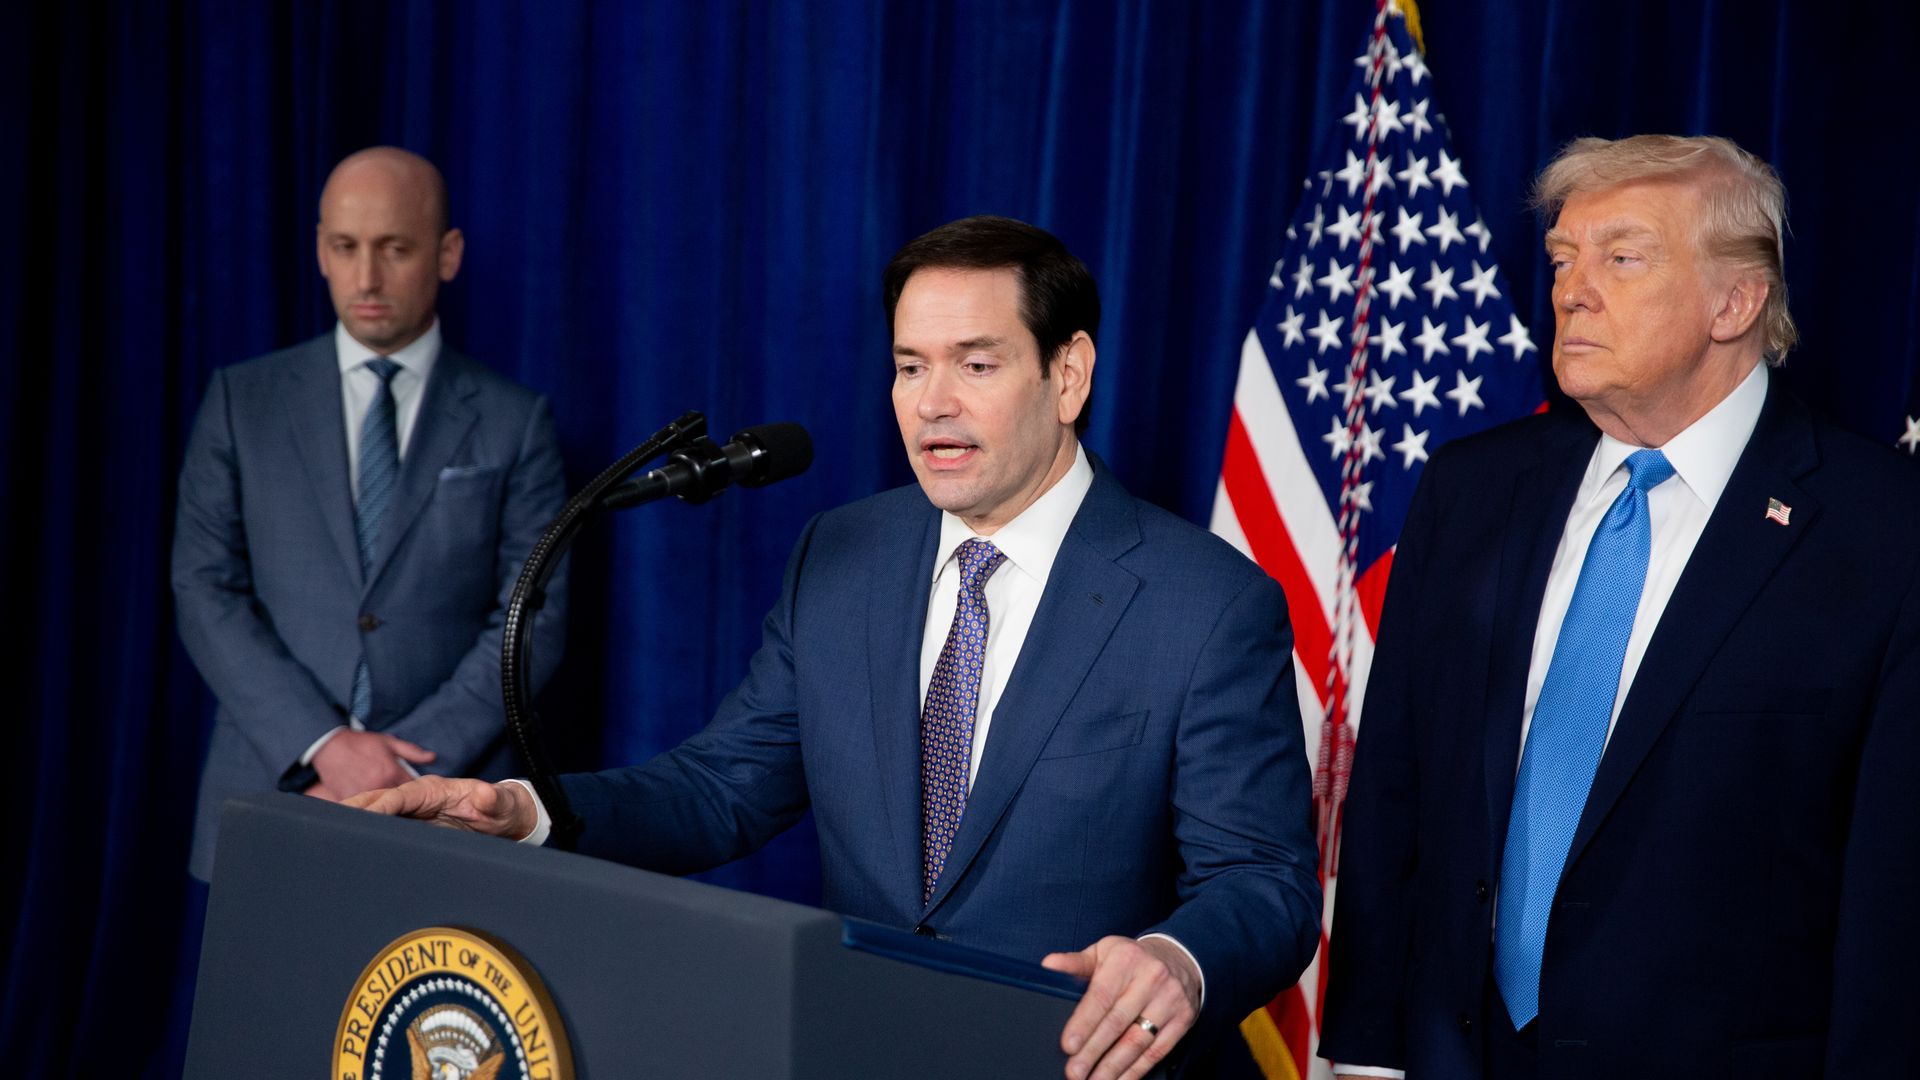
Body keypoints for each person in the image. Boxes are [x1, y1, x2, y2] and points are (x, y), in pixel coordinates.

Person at [351, 215, 1321, 1079]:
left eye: (975, 364)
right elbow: (723, 788)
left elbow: (1263, 883)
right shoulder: (842, 555)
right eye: (910, 365)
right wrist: (522, 810)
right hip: (865, 1046)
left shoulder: (1205, 602)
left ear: (1067, 374)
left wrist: (1178, 960)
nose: (931, 402)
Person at [1319, 135, 1920, 1077]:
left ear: (1736, 301)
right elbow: (1397, 787)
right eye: (1562, 258)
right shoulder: (1472, 492)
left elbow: (1896, 893)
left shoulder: (1885, 530)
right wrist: (1363, 1054)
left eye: (1622, 257)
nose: (1572, 289)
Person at [173, 146, 568, 883]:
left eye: (395, 249)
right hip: (274, 783)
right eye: (345, 248)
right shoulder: (242, 402)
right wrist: (324, 742)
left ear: (447, 255)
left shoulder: (517, 423)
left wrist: (400, 769)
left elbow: (532, 619)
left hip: (455, 803)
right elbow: (203, 588)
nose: (367, 278)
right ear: (320, 250)